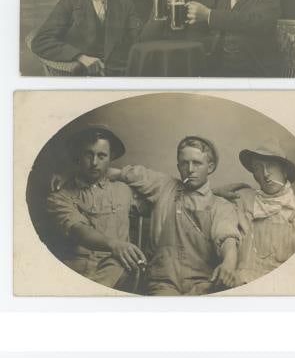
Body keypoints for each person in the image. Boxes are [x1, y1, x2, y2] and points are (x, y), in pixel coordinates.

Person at [109, 135, 240, 296]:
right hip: (161, 282)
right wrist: (108, 174)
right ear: (178, 166)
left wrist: (228, 263)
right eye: (185, 163)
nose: (190, 169)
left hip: (203, 285)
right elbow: (122, 173)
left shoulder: (221, 205)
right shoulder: (164, 186)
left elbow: (227, 238)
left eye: (197, 163)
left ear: (210, 167)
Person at [44, 124, 145, 291]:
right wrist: (115, 244)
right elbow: (79, 230)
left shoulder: (123, 190)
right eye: (88, 155)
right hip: (76, 268)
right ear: (78, 156)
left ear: (111, 158)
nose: (94, 163)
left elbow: (162, 192)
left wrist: (118, 173)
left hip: (117, 268)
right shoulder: (60, 196)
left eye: (102, 156)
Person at [218, 144, 295, 284]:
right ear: (255, 175)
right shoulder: (242, 200)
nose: (265, 174)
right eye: (258, 167)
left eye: (271, 165)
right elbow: (207, 200)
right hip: (236, 288)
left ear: (284, 172)